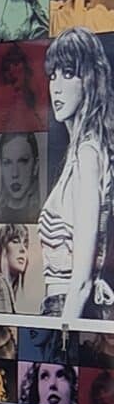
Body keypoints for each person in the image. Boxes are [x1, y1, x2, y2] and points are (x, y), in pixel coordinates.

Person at [39, 27, 114, 319]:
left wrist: (61, 338)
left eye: (68, 73)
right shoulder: (83, 151)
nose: (56, 87)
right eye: (53, 75)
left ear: (90, 80)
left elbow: (80, 281)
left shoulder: (87, 154)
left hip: (66, 310)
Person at [0, 129, 43, 225]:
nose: (15, 173)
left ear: (35, 166)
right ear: (1, 166)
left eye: (23, 161)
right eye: (7, 162)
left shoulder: (46, 217)